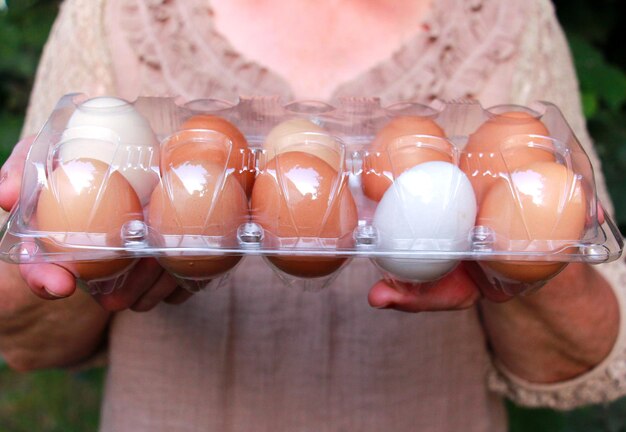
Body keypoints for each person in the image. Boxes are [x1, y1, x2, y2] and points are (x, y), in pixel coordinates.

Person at [1, 0, 625, 430]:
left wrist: (535, 255)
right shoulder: (116, 12)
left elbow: (580, 356)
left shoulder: (509, 19)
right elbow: (25, 341)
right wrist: (80, 246)